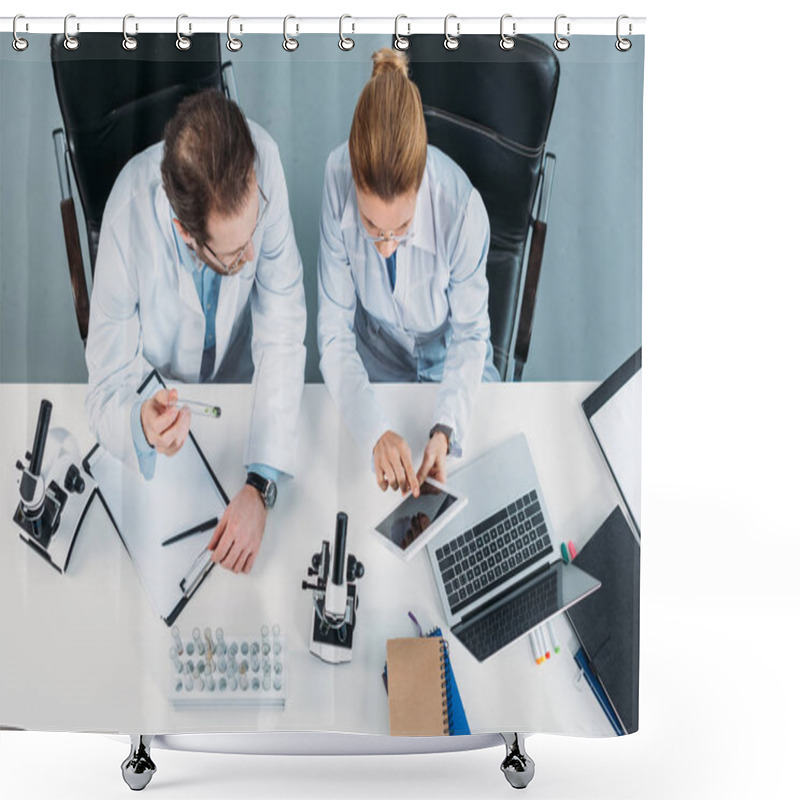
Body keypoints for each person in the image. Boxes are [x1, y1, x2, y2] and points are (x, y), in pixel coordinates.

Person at [85, 90, 306, 575]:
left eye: (253, 237)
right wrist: (141, 425)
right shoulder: (128, 218)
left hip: (245, 400)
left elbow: (284, 327)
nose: (250, 258)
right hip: (169, 418)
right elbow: (104, 393)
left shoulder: (262, 161)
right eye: (233, 253)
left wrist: (262, 482)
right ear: (187, 234)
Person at [317, 48, 499, 498]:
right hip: (377, 362)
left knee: (476, 493)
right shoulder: (337, 178)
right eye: (371, 227)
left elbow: (472, 335)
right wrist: (375, 430)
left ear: (422, 180)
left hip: (449, 362)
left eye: (400, 228)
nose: (386, 246)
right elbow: (334, 333)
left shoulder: (461, 209)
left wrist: (445, 428)